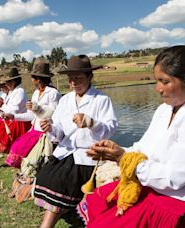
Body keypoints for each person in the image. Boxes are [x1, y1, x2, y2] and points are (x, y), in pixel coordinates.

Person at [78, 45, 185, 227]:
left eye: (164, 82)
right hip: (155, 189)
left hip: (181, 205)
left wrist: (123, 158)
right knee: (99, 201)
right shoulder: (164, 110)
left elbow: (174, 178)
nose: (157, 89)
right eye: (156, 81)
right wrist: (116, 151)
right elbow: (143, 149)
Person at [33, 55, 118, 228]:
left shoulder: (101, 100)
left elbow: (110, 129)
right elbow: (59, 133)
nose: (73, 83)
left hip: (89, 153)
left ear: (89, 77)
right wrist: (50, 128)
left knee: (60, 180)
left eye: (78, 78)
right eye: (70, 79)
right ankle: (69, 214)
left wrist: (91, 123)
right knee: (46, 176)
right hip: (66, 150)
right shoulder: (65, 100)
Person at [5, 57, 61, 168]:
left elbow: (54, 115)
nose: (31, 80)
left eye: (32, 78)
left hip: (45, 133)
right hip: (34, 131)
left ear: (38, 79)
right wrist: (13, 116)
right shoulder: (36, 93)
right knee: (17, 147)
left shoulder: (53, 93)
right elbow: (32, 115)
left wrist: (38, 109)